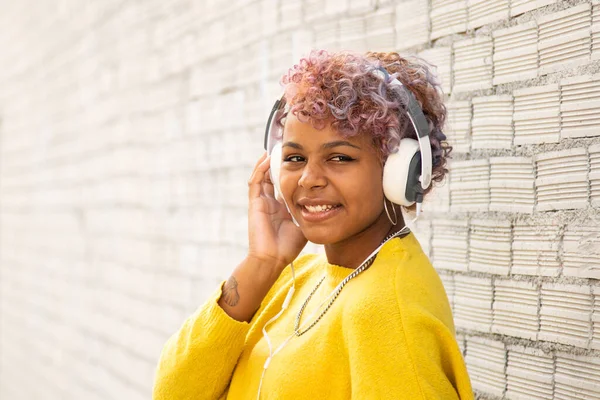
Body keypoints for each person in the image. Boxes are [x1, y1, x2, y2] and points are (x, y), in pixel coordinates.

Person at [152, 50, 473, 400]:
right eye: (295, 158)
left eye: (340, 157)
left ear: (400, 171)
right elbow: (174, 392)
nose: (308, 179)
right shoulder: (297, 276)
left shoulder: (386, 309)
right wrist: (262, 263)